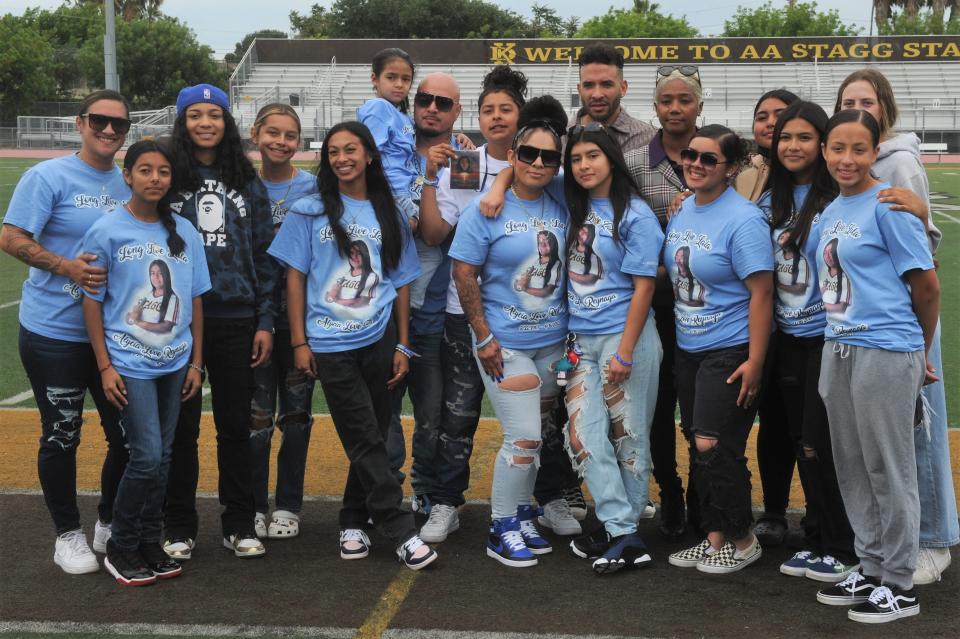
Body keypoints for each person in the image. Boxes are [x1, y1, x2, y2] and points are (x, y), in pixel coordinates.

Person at [268, 121, 437, 570]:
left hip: (380, 336)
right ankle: (399, 528)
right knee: (363, 435)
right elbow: (295, 277)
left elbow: (401, 281)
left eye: (351, 150)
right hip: (329, 341)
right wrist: (300, 341)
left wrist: (403, 344)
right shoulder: (309, 210)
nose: (342, 158)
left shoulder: (389, 211)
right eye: (334, 152)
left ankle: (351, 519)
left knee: (372, 436)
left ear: (369, 156)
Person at [812, 109, 939, 623]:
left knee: (890, 466)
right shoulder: (829, 212)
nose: (847, 159)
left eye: (858, 149)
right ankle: (870, 565)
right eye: (837, 148)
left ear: (874, 152)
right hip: (837, 346)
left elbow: (926, 286)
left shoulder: (889, 206)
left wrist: (918, 353)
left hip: (886, 349)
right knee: (853, 465)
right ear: (826, 151)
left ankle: (900, 582)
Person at [0, 90, 132, 575]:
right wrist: (65, 267)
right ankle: (67, 535)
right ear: (81, 122)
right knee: (62, 434)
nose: (110, 131)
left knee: (128, 437)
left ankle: (109, 521)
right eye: (100, 120)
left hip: (114, 336)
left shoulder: (128, 182)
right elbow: (11, 237)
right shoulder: (47, 176)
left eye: (120, 124)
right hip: (53, 332)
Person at [836, 68, 956, 586]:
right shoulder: (850, 165)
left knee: (916, 433)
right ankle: (881, 553)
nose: (860, 105)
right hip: (857, 329)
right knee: (875, 448)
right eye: (848, 100)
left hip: (899, 324)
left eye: (868, 99)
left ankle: (931, 540)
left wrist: (918, 341)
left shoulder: (898, 161)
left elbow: (919, 250)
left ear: (884, 109)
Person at [81, 140, 210, 586]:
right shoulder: (106, 230)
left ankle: (151, 540)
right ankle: (121, 544)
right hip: (129, 363)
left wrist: (196, 362)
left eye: (163, 172)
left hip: (174, 363)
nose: (155, 178)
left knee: (165, 455)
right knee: (146, 455)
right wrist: (104, 366)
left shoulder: (185, 231)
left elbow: (195, 300)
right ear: (128, 175)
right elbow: (92, 302)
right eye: (146, 170)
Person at [449, 96, 570, 567]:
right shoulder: (485, 210)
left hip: (552, 341)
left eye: (549, 156)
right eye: (528, 154)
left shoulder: (560, 195)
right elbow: (463, 273)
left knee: (537, 434)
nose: (538, 163)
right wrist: (483, 336)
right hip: (506, 344)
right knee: (522, 437)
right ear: (514, 155)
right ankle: (500, 525)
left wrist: (502, 179)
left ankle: (521, 513)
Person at [163, 84, 277, 560]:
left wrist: (265, 320)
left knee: (234, 426)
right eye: (195, 115)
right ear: (182, 122)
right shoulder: (167, 174)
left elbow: (265, 255)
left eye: (214, 114)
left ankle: (239, 522)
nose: (205, 123)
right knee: (181, 428)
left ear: (227, 123)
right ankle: (179, 526)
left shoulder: (246, 179)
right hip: (175, 322)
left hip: (235, 318)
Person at [415, 65, 526, 543]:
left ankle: (540, 500)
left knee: (537, 417)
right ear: (475, 115)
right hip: (467, 312)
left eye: (506, 109)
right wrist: (430, 178)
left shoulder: (542, 160)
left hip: (528, 314)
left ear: (520, 115)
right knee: (457, 416)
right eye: (488, 110)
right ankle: (444, 502)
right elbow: (436, 234)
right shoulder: (467, 163)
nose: (497, 117)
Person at [663, 124, 774, 575]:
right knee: (699, 438)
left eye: (709, 159)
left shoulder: (743, 219)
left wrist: (756, 360)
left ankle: (743, 538)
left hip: (730, 347)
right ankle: (713, 539)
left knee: (712, 443)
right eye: (691, 154)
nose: (695, 164)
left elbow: (762, 293)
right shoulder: (685, 207)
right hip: (689, 345)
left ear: (730, 169)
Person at [757, 100, 859, 584]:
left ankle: (839, 544)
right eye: (785, 138)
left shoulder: (839, 196)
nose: (793, 146)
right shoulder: (767, 199)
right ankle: (817, 534)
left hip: (828, 337)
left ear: (821, 143)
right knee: (799, 441)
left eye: (803, 137)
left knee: (822, 443)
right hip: (785, 337)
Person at [562, 122, 664, 574]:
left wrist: (624, 351)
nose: (583, 165)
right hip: (581, 340)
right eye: (576, 158)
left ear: (611, 161)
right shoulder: (571, 205)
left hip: (628, 338)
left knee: (630, 437)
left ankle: (621, 532)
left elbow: (645, 288)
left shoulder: (636, 215)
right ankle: (622, 529)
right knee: (582, 436)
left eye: (592, 157)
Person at [624, 65, 702, 539]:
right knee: (655, 408)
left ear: (698, 104)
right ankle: (669, 490)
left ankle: (702, 496)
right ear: (654, 108)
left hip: (707, 310)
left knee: (699, 412)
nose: (675, 108)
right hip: (652, 304)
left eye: (684, 100)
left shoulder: (721, 157)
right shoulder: (634, 161)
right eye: (666, 101)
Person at [731, 89, 802, 548]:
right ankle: (757, 511)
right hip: (748, 322)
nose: (770, 124)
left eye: (781, 116)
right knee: (748, 420)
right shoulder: (744, 175)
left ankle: (809, 517)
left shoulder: (818, 181)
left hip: (800, 324)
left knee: (792, 423)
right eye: (762, 116)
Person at [248, 103, 319, 541]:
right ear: (256, 134)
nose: (280, 141)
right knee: (255, 419)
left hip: (299, 322)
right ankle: (254, 504)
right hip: (253, 320)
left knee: (296, 417)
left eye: (290, 135)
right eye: (272, 132)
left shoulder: (312, 188)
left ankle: (288, 504)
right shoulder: (240, 188)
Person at [575, 43, 656, 153]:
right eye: (589, 85)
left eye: (606, 85)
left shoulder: (648, 139)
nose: (597, 94)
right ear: (579, 90)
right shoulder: (561, 136)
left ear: (623, 88)